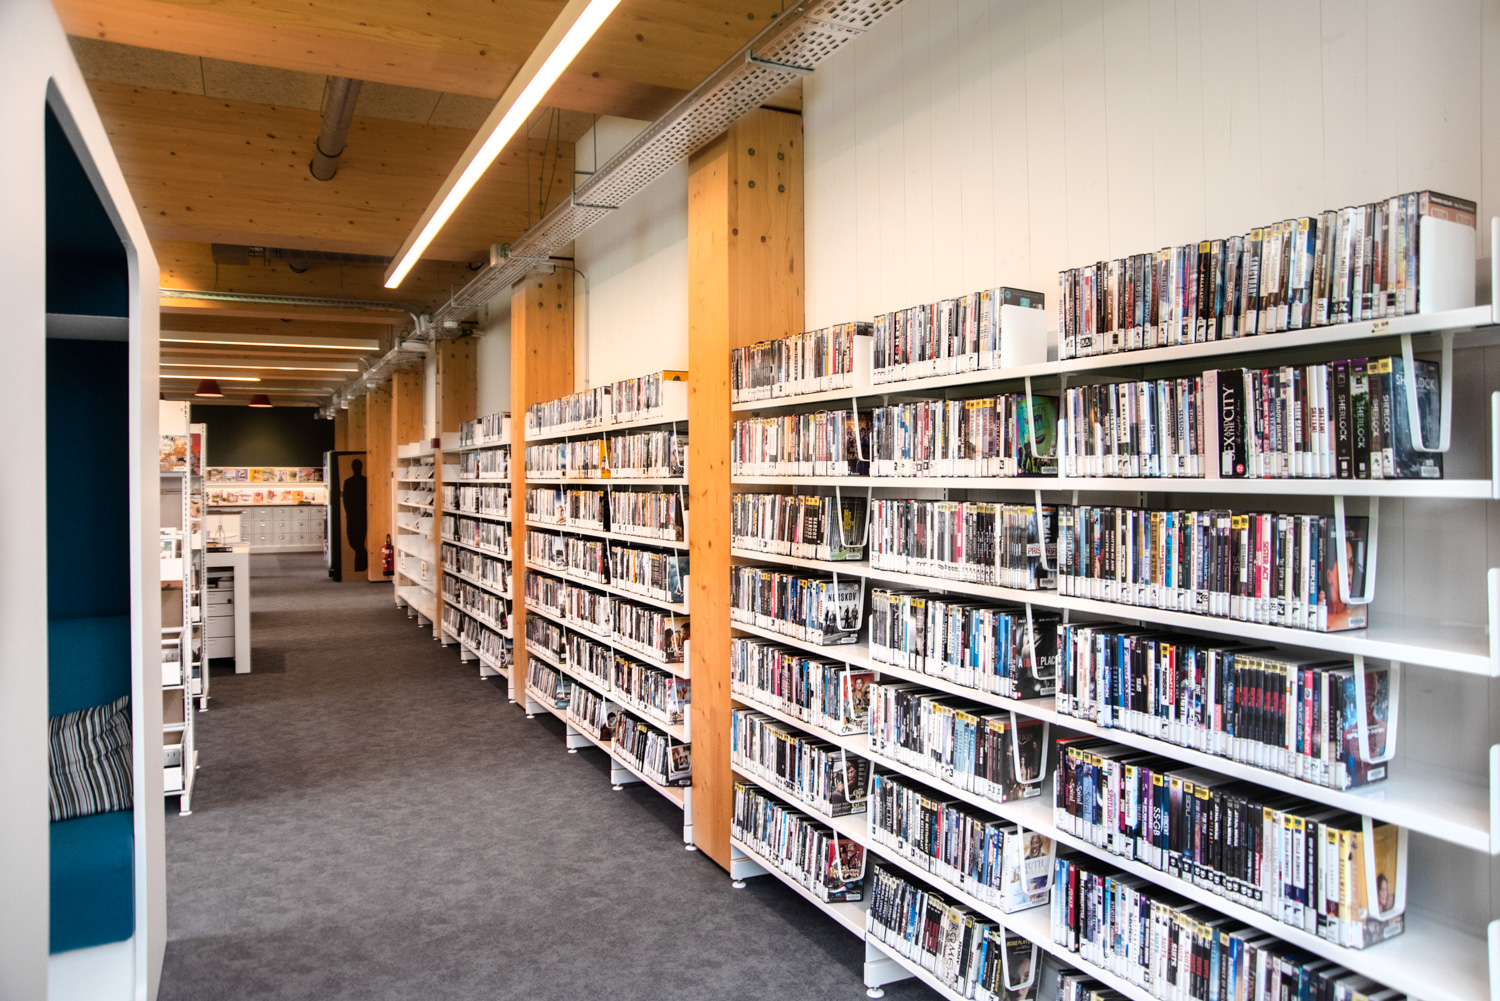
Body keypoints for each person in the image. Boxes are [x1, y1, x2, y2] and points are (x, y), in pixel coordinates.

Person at [342, 457, 368, 574]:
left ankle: (360, 566)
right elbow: (346, 500)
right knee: (354, 541)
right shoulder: (350, 481)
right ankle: (362, 563)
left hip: (357, 515)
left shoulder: (351, 482)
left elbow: (346, 500)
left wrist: (348, 512)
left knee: (358, 540)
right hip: (357, 515)